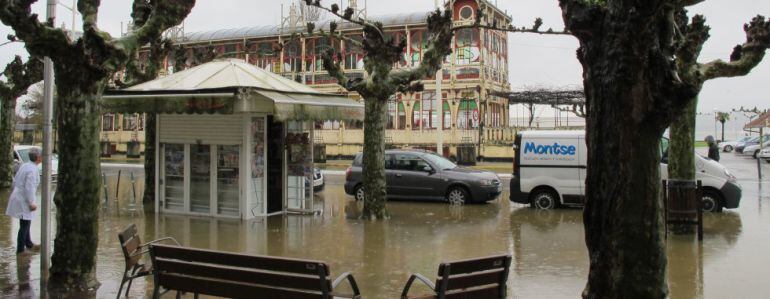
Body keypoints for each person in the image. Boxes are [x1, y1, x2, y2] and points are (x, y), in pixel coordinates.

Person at [5, 148, 42, 255]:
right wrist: (31, 203)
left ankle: (29, 244)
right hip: (24, 199)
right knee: (25, 224)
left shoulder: (25, 165)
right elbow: (29, 187)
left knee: (26, 222)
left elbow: (15, 180)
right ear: (38, 158)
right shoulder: (32, 170)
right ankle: (21, 250)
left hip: (19, 197)